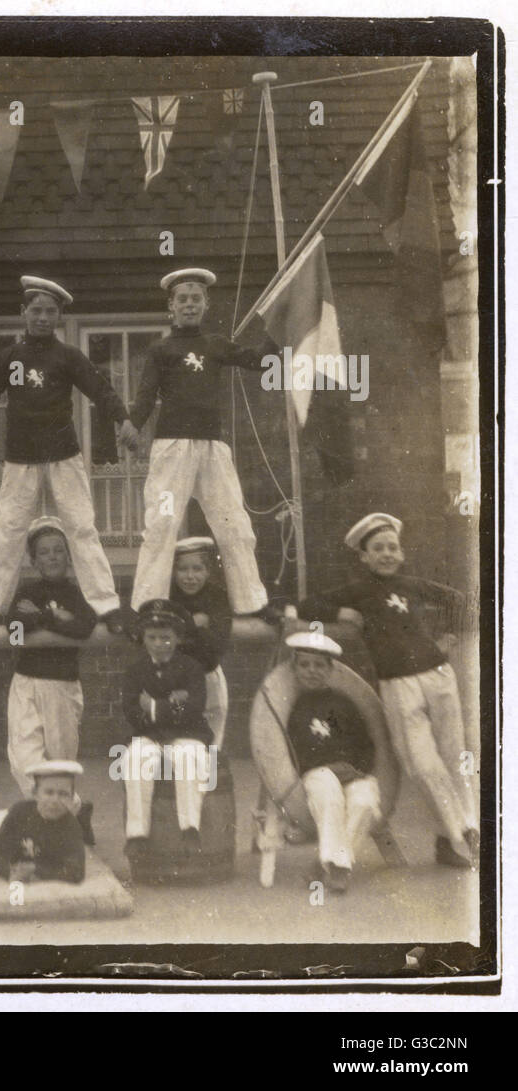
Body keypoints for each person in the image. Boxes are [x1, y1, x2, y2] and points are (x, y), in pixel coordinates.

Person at [0, 276, 139, 637]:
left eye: (51, 312)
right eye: (36, 311)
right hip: (21, 460)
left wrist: (123, 420)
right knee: (7, 532)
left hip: (64, 456)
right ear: (24, 313)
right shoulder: (10, 358)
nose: (43, 318)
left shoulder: (67, 357)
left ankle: (107, 607)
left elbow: (101, 389)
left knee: (82, 528)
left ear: (59, 316)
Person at [296, 512, 477, 868]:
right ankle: (463, 830)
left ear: (402, 552)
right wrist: (344, 611)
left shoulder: (413, 584)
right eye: (377, 549)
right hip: (398, 684)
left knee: (454, 757)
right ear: (364, 557)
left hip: (439, 676)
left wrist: (450, 637)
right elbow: (309, 605)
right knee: (422, 764)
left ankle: (452, 840)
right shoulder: (359, 591)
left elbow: (461, 599)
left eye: (392, 547)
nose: (387, 554)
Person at [128, 268, 279, 618]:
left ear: (206, 304)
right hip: (172, 451)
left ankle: (252, 604)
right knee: (162, 523)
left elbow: (259, 361)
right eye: (183, 299)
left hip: (213, 450)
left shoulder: (216, 345)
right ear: (172, 306)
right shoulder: (161, 350)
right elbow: (146, 396)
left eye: (196, 299)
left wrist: (276, 324)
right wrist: (132, 425)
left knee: (234, 524)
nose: (190, 305)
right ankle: (147, 604)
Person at [5, 517, 97, 824]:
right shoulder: (25, 592)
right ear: (34, 560)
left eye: (59, 550)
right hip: (26, 681)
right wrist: (55, 616)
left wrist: (41, 618)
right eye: (44, 552)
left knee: (60, 761)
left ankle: (66, 820)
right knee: (23, 757)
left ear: (69, 556)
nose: (53, 556)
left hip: (61, 685)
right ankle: (62, 812)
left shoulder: (76, 594)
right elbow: (15, 633)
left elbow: (83, 628)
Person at [281, 632, 381, 894]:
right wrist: (327, 768)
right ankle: (340, 869)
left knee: (366, 801)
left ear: (330, 669)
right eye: (305, 665)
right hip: (317, 773)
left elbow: (365, 744)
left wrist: (359, 771)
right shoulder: (291, 706)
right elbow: (292, 750)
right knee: (329, 793)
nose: (312, 671)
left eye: (319, 665)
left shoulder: (344, 703)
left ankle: (325, 862)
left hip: (350, 772)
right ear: (295, 669)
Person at [118, 599, 214, 858]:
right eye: (152, 637)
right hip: (148, 734)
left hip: (188, 733)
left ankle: (190, 828)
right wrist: (171, 705)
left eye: (166, 637)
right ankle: (137, 834)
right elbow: (131, 711)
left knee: (189, 758)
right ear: (143, 638)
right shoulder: (136, 671)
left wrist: (154, 707)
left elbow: (194, 707)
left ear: (179, 638)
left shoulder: (192, 668)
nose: (159, 644)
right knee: (135, 758)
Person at [167, 535, 233, 745]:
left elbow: (218, 645)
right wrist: (194, 623)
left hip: (208, 676)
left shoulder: (217, 597)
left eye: (197, 569)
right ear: (173, 571)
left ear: (208, 571)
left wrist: (188, 632)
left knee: (211, 741)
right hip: (174, 678)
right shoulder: (169, 597)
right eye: (183, 569)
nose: (190, 576)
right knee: (177, 740)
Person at [0, 760, 89, 884]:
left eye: (63, 794)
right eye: (49, 792)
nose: (55, 800)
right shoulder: (19, 812)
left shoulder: (72, 826)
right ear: (35, 793)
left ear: (72, 798)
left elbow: (76, 872)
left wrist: (36, 870)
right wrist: (11, 872)